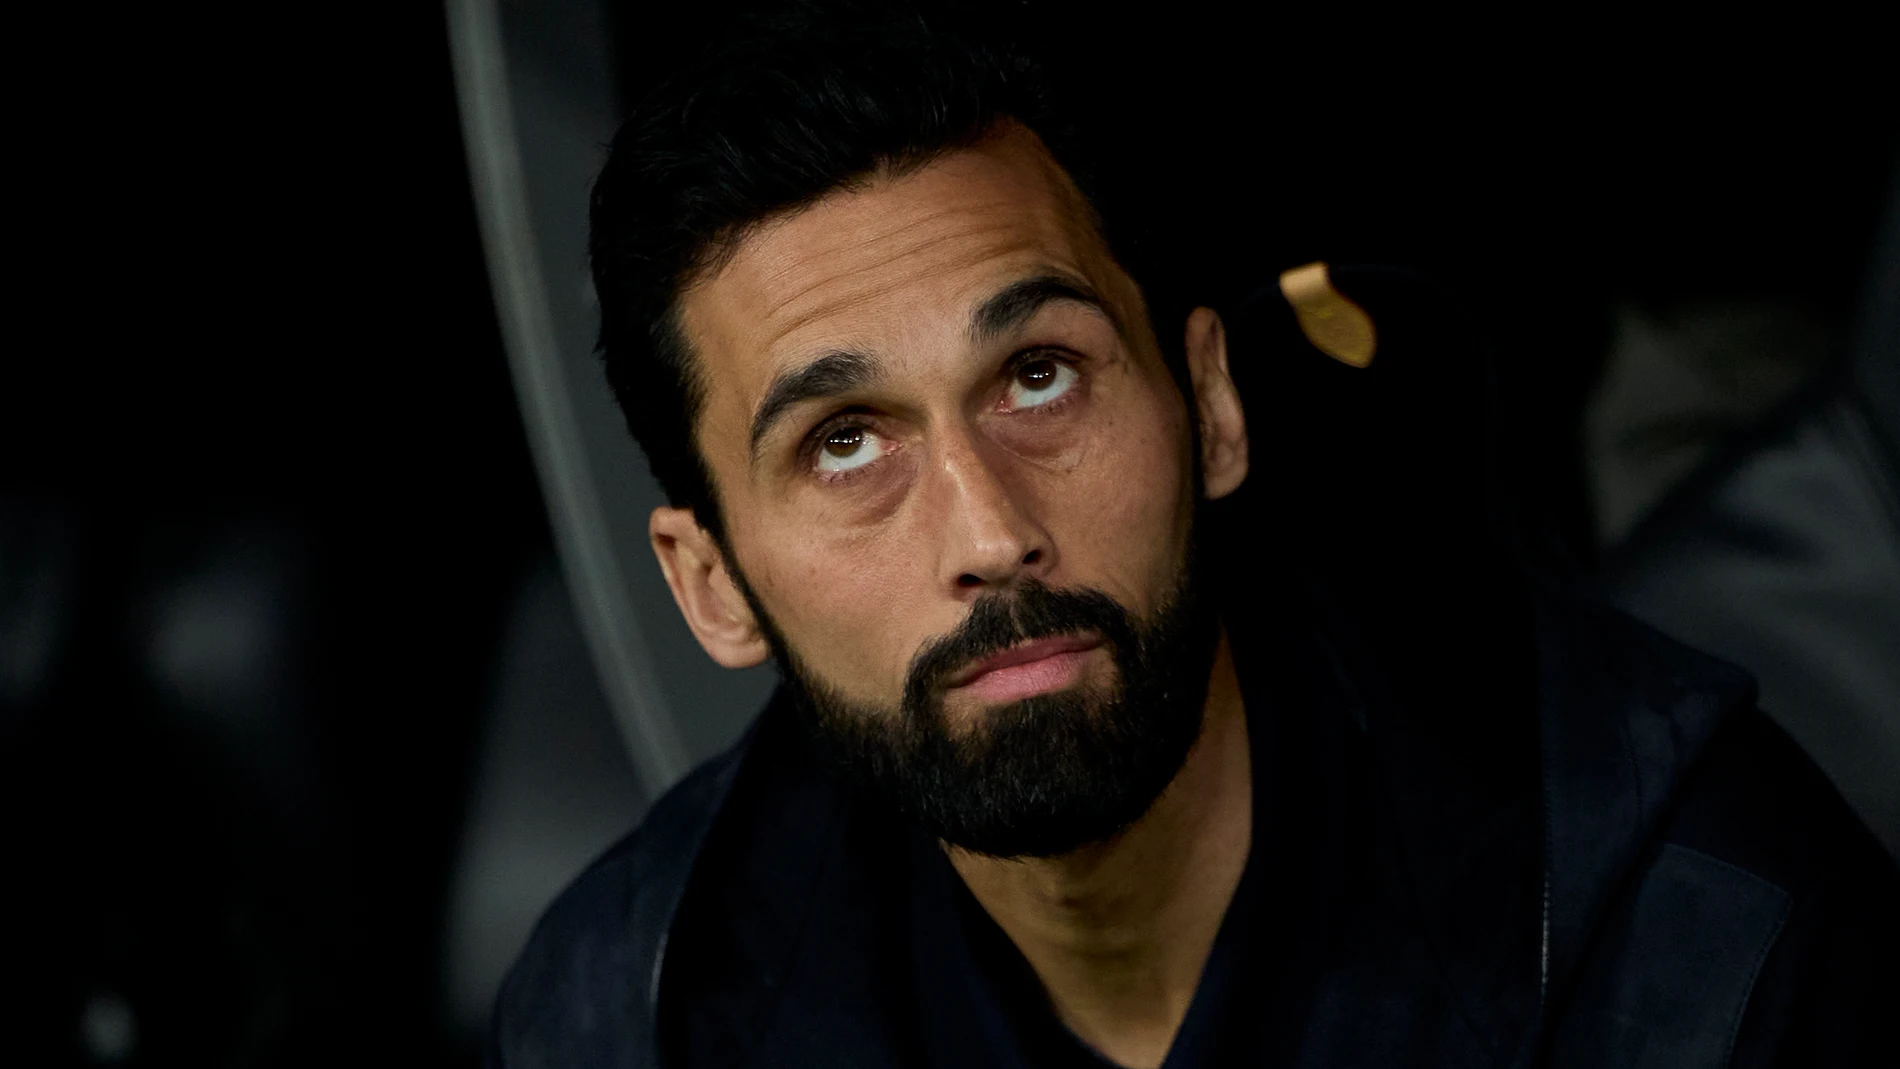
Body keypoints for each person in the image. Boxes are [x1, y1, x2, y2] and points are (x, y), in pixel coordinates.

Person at [490, 5, 1898, 1066]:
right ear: (712, 583)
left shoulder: (1705, 935)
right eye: (844, 443)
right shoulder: (627, 1016)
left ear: (1212, 407)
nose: (990, 532)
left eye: (1039, 375)